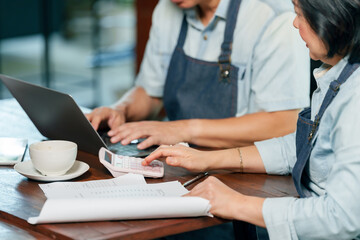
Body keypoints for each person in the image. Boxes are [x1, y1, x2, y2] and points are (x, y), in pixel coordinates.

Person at [143, 0, 360, 239]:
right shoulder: (338, 74)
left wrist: (236, 203)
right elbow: (301, 147)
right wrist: (207, 159)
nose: (294, 22)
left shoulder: (356, 97)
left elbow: (343, 216)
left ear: (331, 17)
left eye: (299, 14)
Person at [86, 0, 310, 150]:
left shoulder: (274, 17)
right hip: (179, 161)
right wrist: (121, 110)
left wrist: (183, 130)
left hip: (246, 174)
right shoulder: (167, 9)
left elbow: (284, 122)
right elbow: (150, 93)